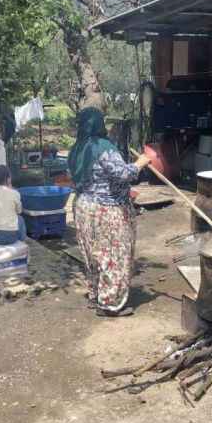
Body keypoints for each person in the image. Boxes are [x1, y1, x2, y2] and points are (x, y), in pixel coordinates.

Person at [69, 107, 151, 317]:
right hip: (107, 211)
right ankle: (110, 302)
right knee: (113, 255)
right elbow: (123, 174)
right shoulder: (103, 147)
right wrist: (142, 161)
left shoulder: (77, 148)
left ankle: (97, 294)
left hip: (84, 209)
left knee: (93, 255)